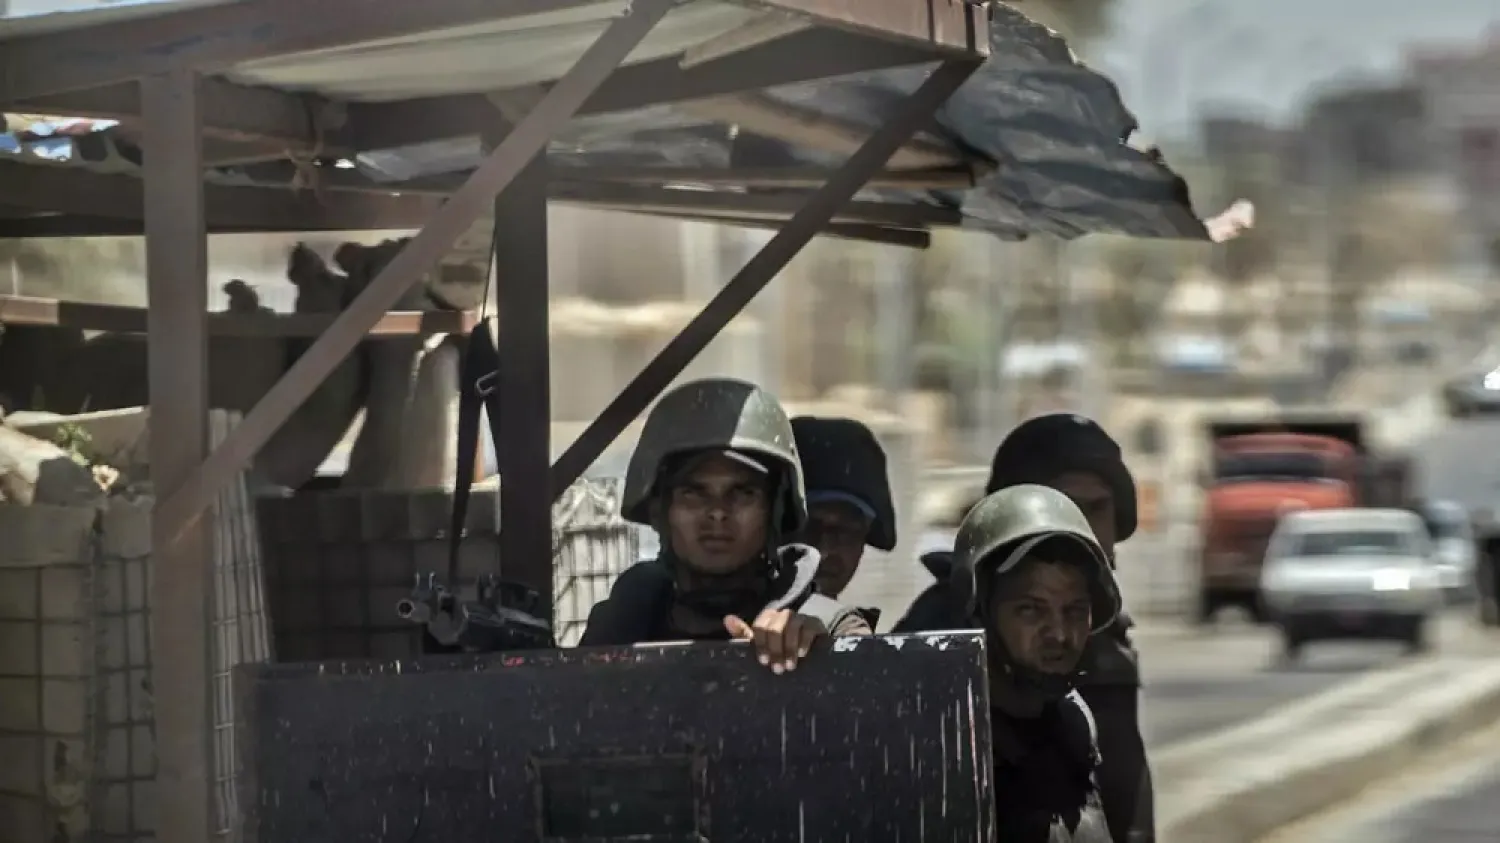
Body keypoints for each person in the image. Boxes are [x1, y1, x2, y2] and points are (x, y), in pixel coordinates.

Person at [895, 413, 1155, 843]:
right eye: (1031, 610)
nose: (1059, 633)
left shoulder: (1084, 692)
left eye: (1096, 508)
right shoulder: (936, 679)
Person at [580, 378, 871, 669]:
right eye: (693, 493)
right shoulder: (620, 629)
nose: (718, 512)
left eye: (743, 493)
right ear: (660, 510)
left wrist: (821, 660)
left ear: (774, 510)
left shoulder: (831, 627)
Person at [954, 483, 1120, 843]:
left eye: (1075, 611)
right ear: (981, 614)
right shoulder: (946, 745)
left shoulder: (1073, 724)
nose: (1060, 634)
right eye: (1030, 610)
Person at [789, 416, 898, 628]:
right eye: (810, 528)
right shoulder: (730, 629)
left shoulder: (851, 632)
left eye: (846, 531)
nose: (825, 551)